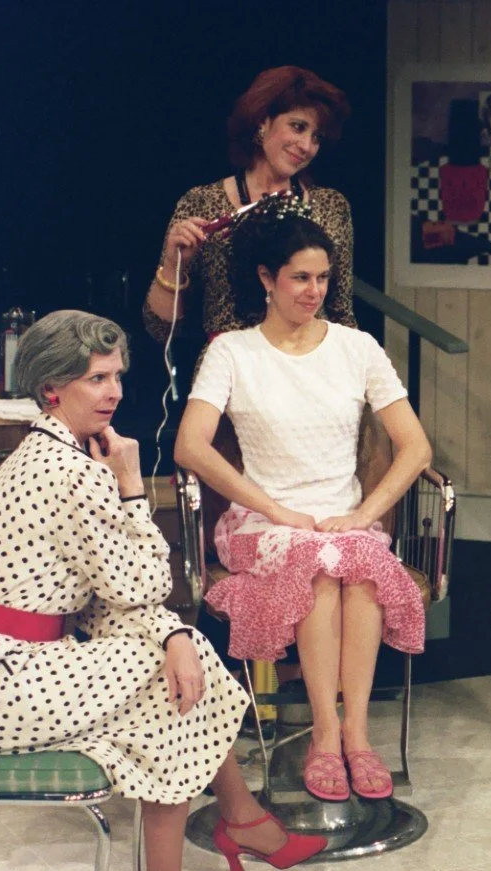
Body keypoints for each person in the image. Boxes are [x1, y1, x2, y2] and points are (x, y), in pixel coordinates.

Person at [0, 311, 326, 871]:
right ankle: (221, 841)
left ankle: (217, 844)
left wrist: (171, 638)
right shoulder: (72, 471)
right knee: (173, 681)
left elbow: (112, 601)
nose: (113, 392)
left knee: (176, 667)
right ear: (53, 390)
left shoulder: (53, 451)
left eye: (116, 376)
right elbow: (141, 584)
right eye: (96, 379)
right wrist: (135, 487)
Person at [174, 212, 431, 803]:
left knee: (355, 561)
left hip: (342, 519)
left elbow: (416, 446)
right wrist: (274, 509)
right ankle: (323, 736)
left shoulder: (356, 347)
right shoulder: (232, 352)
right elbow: (190, 444)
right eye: (299, 278)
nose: (313, 291)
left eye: (321, 278)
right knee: (319, 559)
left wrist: (367, 513)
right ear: (267, 277)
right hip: (262, 521)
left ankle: (357, 736)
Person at [144, 66, 355, 343]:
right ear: (262, 122)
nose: (306, 146)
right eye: (298, 127)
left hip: (310, 372)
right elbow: (160, 329)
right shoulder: (202, 202)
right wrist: (174, 265)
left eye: (317, 137)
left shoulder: (330, 206)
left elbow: (343, 315)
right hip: (230, 376)